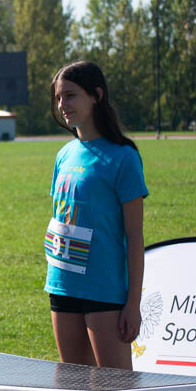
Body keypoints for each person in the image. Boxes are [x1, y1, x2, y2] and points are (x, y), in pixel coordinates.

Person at [44, 60, 146, 370]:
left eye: (71, 96)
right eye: (59, 97)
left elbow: (134, 236)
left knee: (117, 390)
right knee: (75, 388)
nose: (63, 105)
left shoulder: (124, 157)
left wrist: (133, 303)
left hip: (104, 289)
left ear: (96, 96)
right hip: (62, 285)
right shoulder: (64, 155)